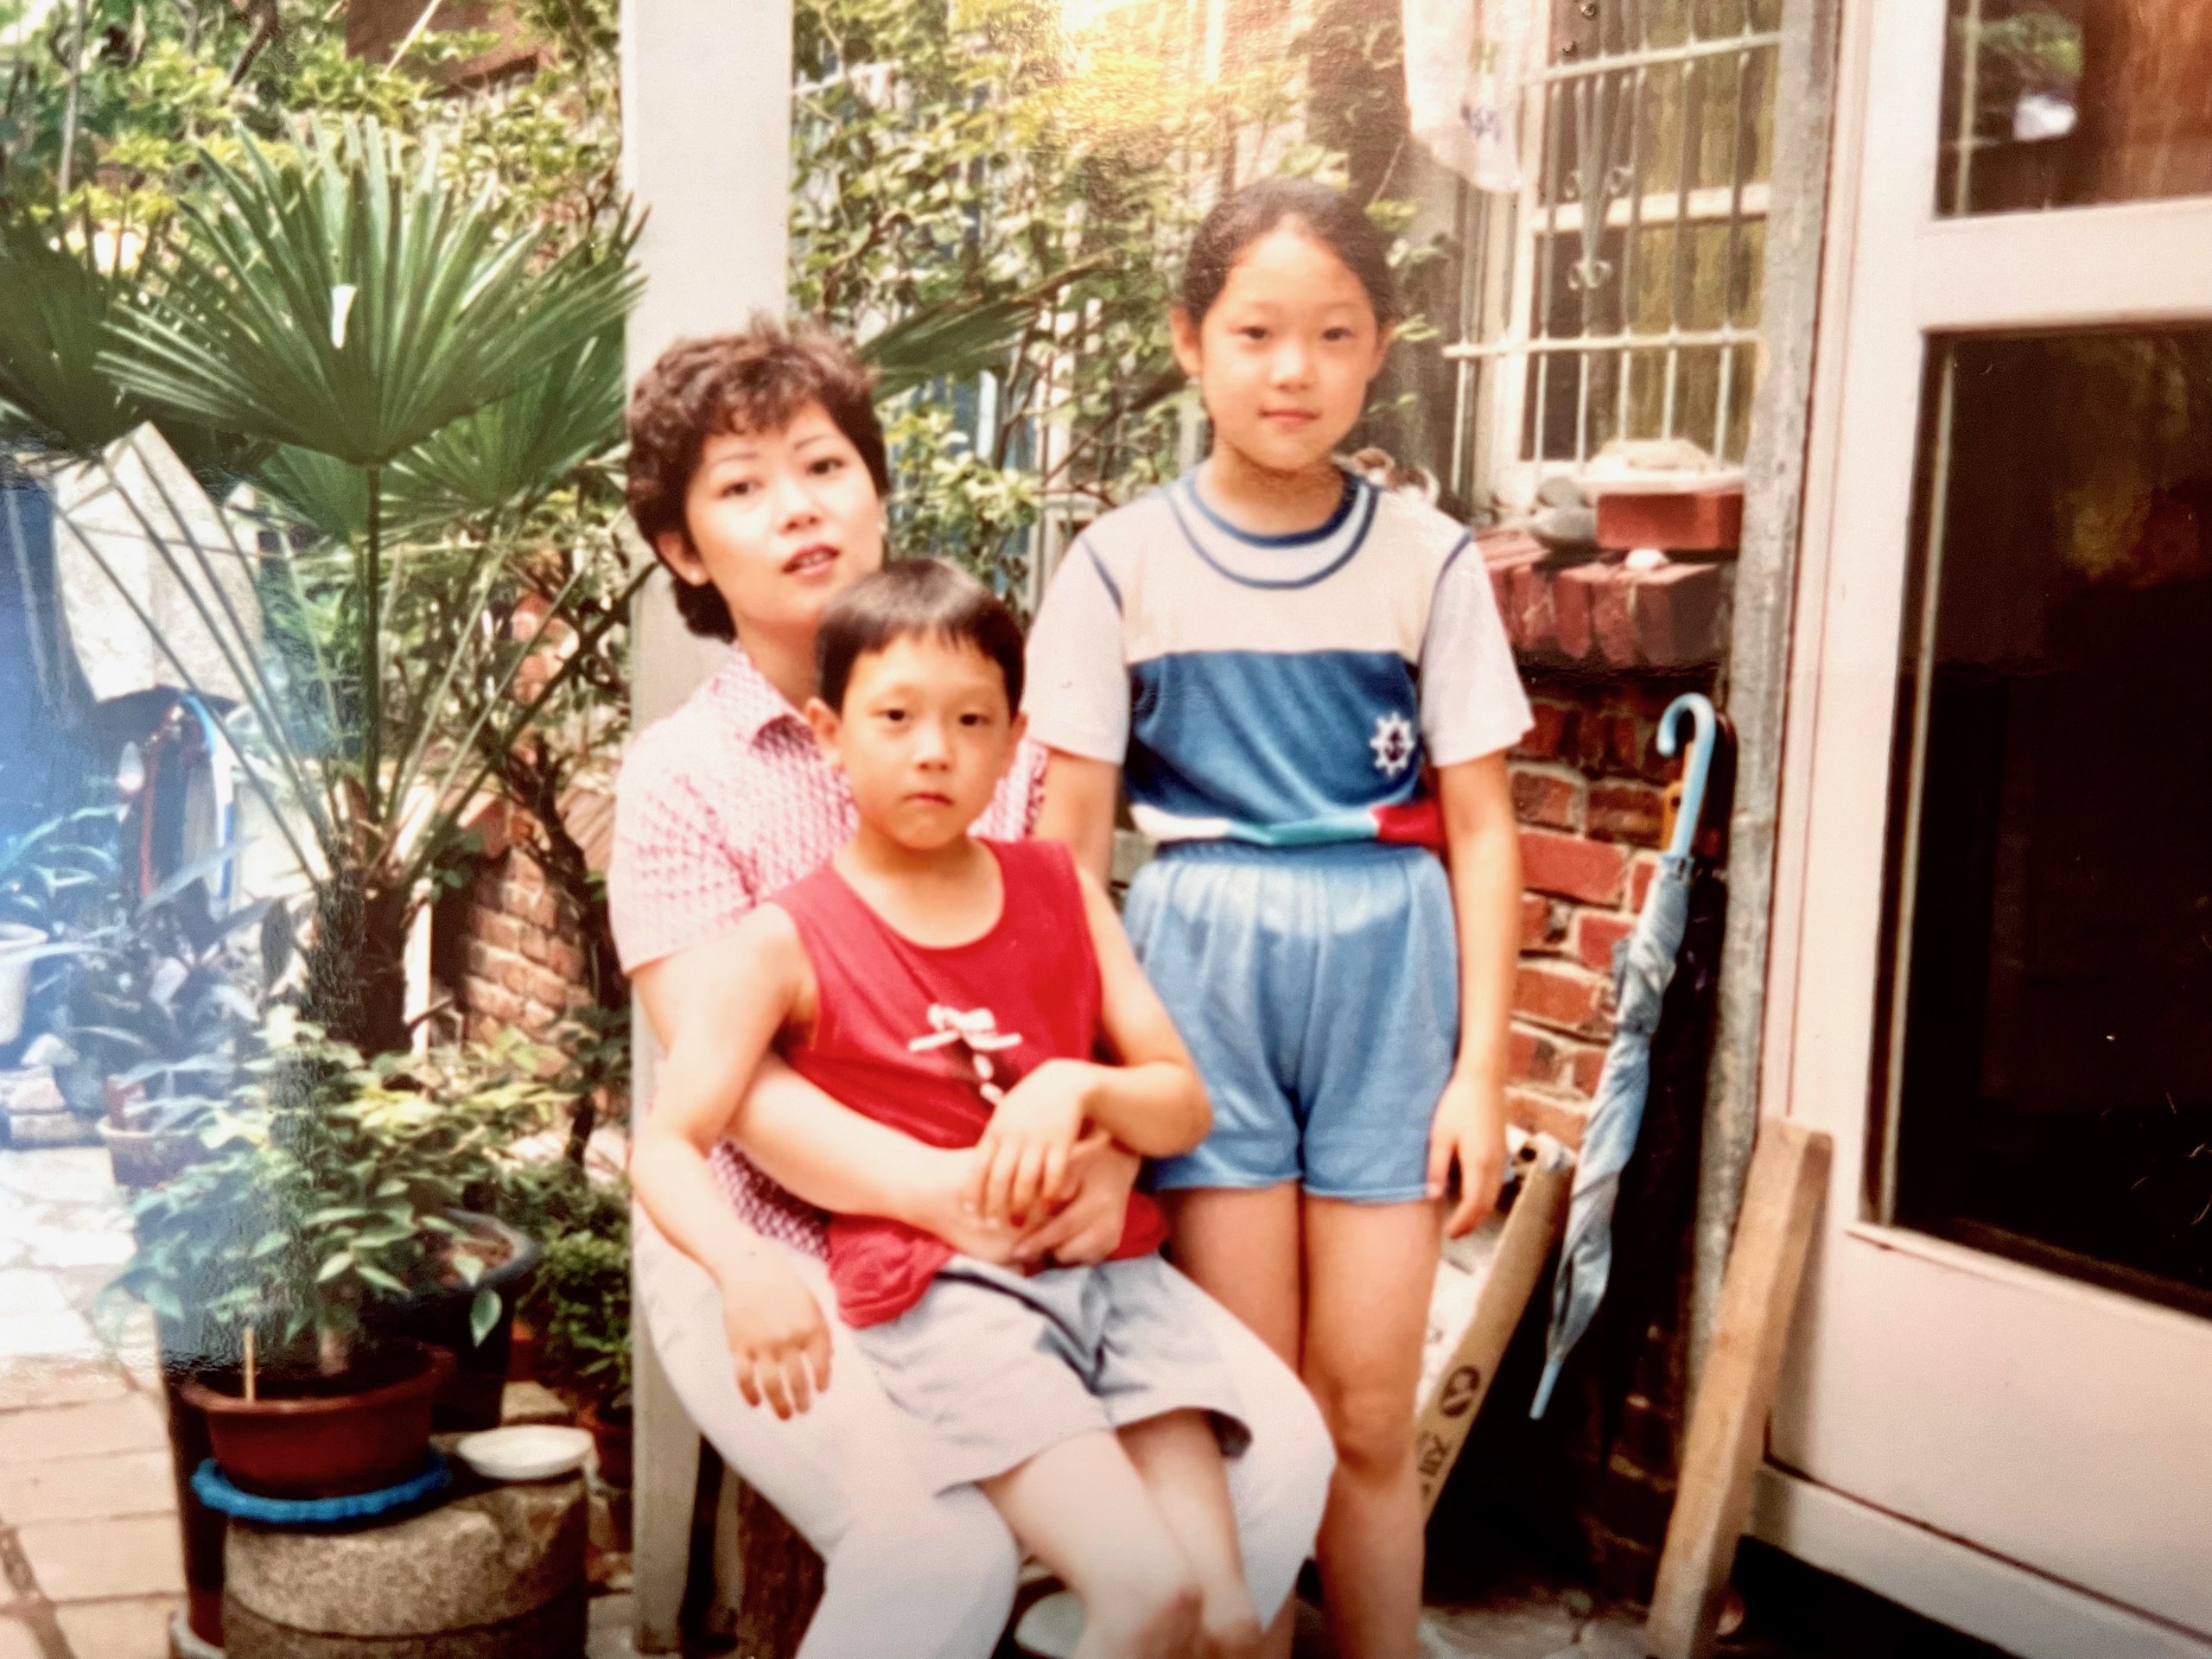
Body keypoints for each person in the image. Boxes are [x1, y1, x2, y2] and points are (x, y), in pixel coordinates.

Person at [609, 321, 1332, 1659]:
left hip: (1041, 1219)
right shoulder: (680, 782)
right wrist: (945, 1200)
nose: (800, 508)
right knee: (940, 1548)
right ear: (683, 550)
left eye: (824, 464)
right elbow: (737, 1095)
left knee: (1279, 1458)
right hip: (777, 1238)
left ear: (876, 484)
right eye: (742, 487)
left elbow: (1072, 978)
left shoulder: (1002, 727)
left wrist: (1107, 1154)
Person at [1028, 178, 1532, 1659]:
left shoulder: (1426, 560)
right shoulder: (1121, 561)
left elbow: (1486, 825)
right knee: (1263, 1401)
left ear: (1380, 349)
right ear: (1193, 343)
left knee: (1373, 1410)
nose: (1291, 370)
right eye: (1255, 332)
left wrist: (1483, 1069)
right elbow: (1067, 855)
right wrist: (1113, 1076)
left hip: (1392, 972)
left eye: (1332, 334)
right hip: (1200, 978)